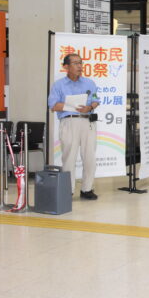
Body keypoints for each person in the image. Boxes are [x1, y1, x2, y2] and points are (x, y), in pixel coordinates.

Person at [47, 53, 100, 200]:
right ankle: (68, 190)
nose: (79, 66)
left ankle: (87, 189)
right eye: (75, 63)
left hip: (87, 121)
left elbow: (96, 100)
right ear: (66, 66)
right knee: (69, 157)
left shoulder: (89, 83)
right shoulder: (59, 85)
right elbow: (53, 105)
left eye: (80, 63)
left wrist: (89, 107)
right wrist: (72, 106)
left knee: (89, 156)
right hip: (69, 122)